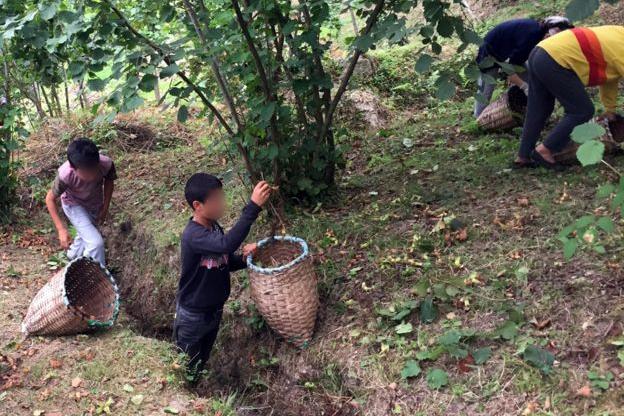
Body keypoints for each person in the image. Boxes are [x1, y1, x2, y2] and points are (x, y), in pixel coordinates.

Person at [174, 173, 271, 384]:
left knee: (201, 360)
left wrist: (245, 260)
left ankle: (195, 388)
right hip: (193, 316)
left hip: (213, 312)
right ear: (197, 205)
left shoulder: (213, 227)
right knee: (184, 366)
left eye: (222, 197)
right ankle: (185, 397)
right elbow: (225, 245)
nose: (222, 204)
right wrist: (253, 207)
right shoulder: (194, 235)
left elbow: (224, 260)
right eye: (216, 200)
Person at [517, 26, 624, 168]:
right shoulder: (620, 46)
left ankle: (523, 156)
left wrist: (610, 109)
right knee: (581, 110)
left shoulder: (617, 34)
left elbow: (610, 77)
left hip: (541, 51)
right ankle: (545, 150)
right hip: (555, 59)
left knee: (539, 108)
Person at [474, 16, 574, 117]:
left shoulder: (536, 31)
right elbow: (509, 70)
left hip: (507, 53)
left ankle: (537, 111)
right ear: (549, 33)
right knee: (486, 90)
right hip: (490, 54)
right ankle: (478, 119)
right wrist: (523, 86)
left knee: (530, 79)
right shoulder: (531, 35)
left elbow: (518, 60)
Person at [45, 138, 116, 267]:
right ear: (73, 167)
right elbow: (49, 199)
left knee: (87, 234)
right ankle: (96, 279)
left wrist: (105, 207)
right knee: (95, 243)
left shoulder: (106, 164)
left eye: (94, 169)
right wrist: (61, 229)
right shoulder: (65, 175)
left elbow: (109, 182)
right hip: (73, 205)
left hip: (94, 203)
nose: (92, 175)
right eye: (86, 172)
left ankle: (73, 256)